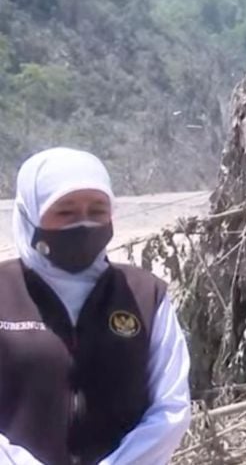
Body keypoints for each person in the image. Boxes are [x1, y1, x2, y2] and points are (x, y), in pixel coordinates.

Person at [0, 148, 191, 465]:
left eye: (97, 210)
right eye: (65, 212)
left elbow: (171, 407)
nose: (84, 224)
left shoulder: (146, 295)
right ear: (29, 214)